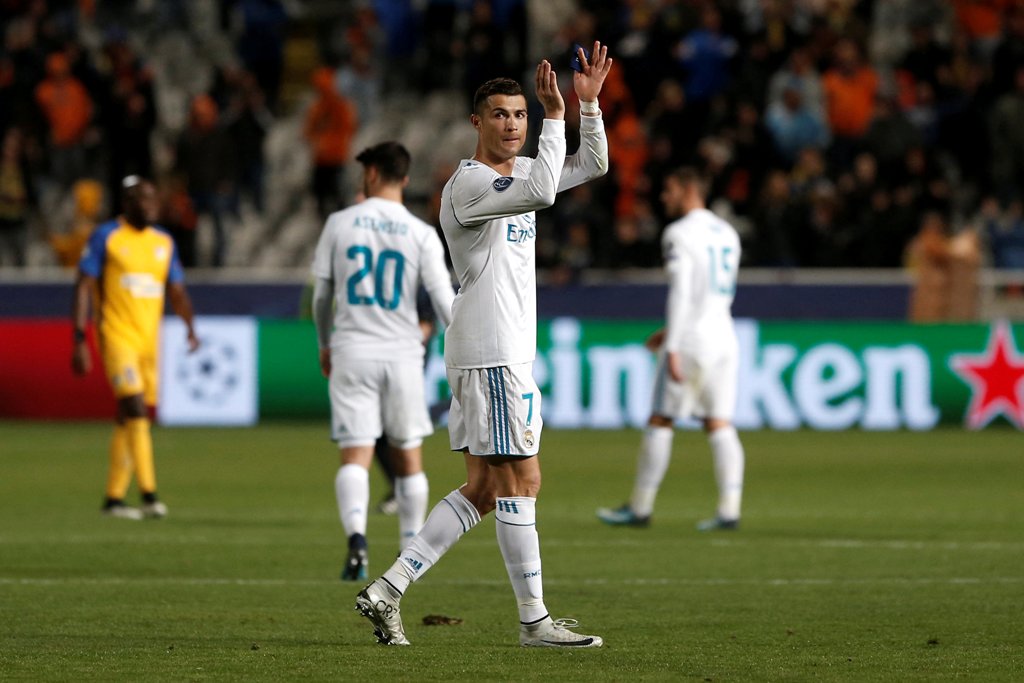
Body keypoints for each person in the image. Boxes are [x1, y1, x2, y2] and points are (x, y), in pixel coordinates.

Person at [355, 43, 612, 648]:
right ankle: (534, 622)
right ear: (477, 122)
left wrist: (589, 106)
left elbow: (591, 166)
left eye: (520, 115)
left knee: (487, 489)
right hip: (493, 350)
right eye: (501, 114)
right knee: (523, 481)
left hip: (496, 349)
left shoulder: (521, 173)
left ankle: (387, 589)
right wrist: (555, 117)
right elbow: (548, 191)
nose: (513, 124)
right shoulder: (468, 185)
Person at [311, 142, 455, 582]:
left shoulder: (339, 223)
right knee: (408, 458)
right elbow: (446, 303)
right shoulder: (420, 233)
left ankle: (356, 539)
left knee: (355, 454)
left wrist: (325, 344)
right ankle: (409, 554)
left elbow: (321, 297)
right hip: (403, 354)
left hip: (353, 349)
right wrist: (462, 354)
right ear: (405, 179)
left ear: (371, 174)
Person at [596, 167, 746, 532]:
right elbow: (710, 294)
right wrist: (669, 333)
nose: (664, 197)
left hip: (692, 340)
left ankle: (640, 507)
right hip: (724, 336)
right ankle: (729, 509)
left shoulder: (678, 233)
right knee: (719, 422)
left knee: (661, 418)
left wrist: (674, 344)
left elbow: (681, 291)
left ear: (688, 189)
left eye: (669, 190)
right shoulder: (728, 232)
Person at [71, 175, 199, 520]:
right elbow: (83, 284)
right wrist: (79, 337)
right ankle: (149, 495)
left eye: (154, 200)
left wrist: (190, 326)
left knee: (127, 417)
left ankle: (113, 499)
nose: (152, 206)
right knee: (137, 410)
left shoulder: (163, 242)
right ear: (127, 203)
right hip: (117, 335)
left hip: (148, 342)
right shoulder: (107, 237)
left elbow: (176, 289)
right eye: (144, 200)